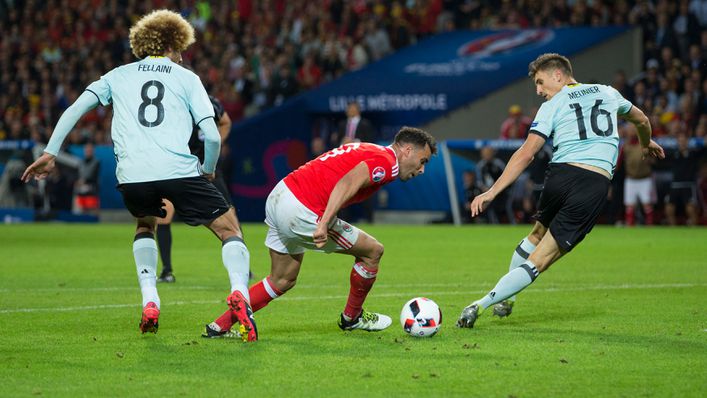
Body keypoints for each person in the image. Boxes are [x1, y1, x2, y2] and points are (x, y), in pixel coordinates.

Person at [21, 10, 257, 342]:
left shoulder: (117, 75)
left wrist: (50, 153)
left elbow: (75, 108)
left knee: (145, 224)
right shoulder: (186, 77)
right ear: (173, 45)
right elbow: (214, 136)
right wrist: (207, 170)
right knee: (229, 230)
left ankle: (150, 299)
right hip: (179, 169)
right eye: (181, 48)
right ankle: (239, 293)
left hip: (132, 174)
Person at [456, 53, 665, 328]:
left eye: (540, 83)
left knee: (536, 234)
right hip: (592, 182)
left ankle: (509, 299)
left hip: (560, 175)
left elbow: (527, 153)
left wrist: (492, 191)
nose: (540, 91)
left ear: (558, 75)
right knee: (543, 259)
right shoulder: (608, 93)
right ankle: (480, 304)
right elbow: (642, 120)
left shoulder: (553, 105)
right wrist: (646, 143)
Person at [205, 127, 436, 336]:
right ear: (407, 150)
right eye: (422, 161)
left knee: (282, 279)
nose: (422, 169)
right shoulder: (388, 163)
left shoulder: (372, 149)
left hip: (281, 194)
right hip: (303, 209)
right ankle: (352, 318)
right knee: (373, 251)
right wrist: (324, 221)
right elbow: (347, 183)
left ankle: (219, 326)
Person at [156, 95, 233, 283]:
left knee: (229, 217)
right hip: (179, 167)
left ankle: (242, 269)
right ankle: (167, 271)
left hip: (204, 168)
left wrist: (214, 145)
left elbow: (226, 122)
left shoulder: (207, 103)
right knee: (163, 217)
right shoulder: (177, 104)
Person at [665, 133, 701, 225]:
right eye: (680, 141)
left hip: (688, 185)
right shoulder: (673, 154)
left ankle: (694, 231)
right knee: (669, 209)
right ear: (677, 142)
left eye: (683, 141)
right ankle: (673, 231)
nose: (682, 143)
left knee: (690, 210)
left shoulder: (693, 154)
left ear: (687, 142)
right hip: (675, 185)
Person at [623, 128, 656, 226]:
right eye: (630, 130)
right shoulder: (625, 147)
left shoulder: (645, 145)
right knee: (630, 205)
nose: (632, 132)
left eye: (633, 130)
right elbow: (619, 162)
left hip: (644, 179)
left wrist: (649, 160)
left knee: (647, 204)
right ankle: (630, 225)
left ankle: (650, 225)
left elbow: (654, 161)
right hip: (631, 179)